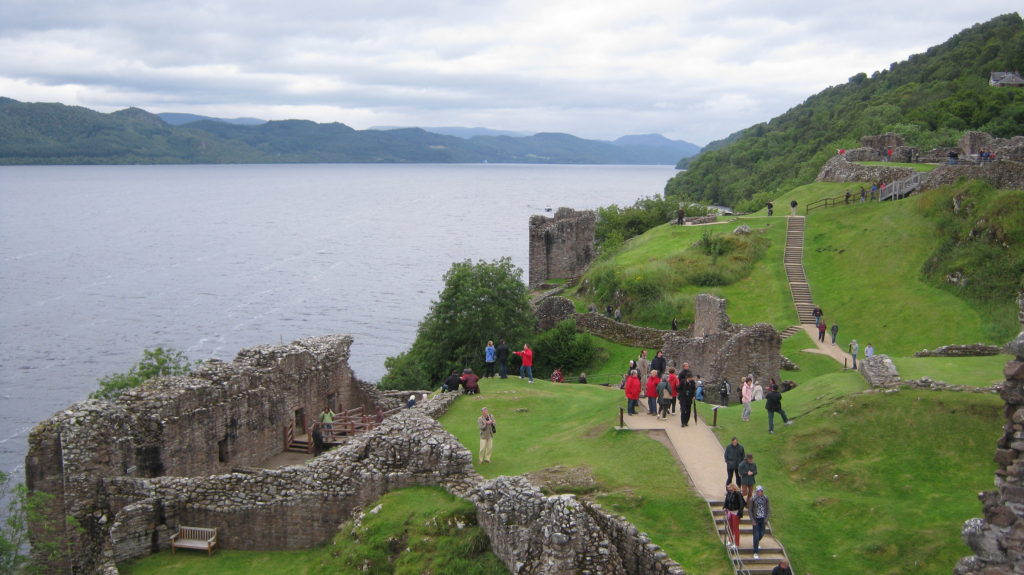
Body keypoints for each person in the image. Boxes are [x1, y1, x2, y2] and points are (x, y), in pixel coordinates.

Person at [748, 485, 771, 559]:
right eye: (758, 491)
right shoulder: (753, 499)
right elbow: (750, 510)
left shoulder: (765, 498)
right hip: (756, 519)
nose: (759, 493)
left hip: (763, 519)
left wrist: (766, 519)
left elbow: (768, 509)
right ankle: (755, 552)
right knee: (756, 535)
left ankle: (756, 542)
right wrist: (752, 520)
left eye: (761, 491)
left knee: (762, 533)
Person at [722, 483, 745, 550]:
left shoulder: (738, 494)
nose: (728, 489)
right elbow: (726, 501)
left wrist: (740, 512)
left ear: (733, 488)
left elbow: (742, 503)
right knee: (730, 527)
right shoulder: (729, 493)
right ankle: (730, 540)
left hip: (736, 512)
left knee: (735, 528)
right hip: (730, 512)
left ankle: (736, 543)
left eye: (730, 488)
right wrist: (725, 507)